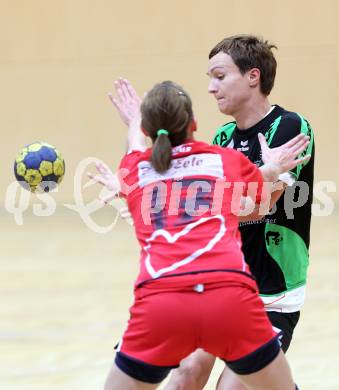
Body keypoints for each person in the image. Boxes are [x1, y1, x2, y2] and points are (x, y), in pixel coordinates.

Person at [90, 79, 310, 389]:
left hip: (161, 303)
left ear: (149, 130)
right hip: (228, 298)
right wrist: (274, 167)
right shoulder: (222, 160)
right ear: (194, 123)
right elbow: (259, 190)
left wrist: (135, 124)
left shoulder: (134, 170)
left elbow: (137, 151)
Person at [165, 35, 315, 390]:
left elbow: (261, 206)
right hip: (224, 283)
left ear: (252, 76)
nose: (211, 88)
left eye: (219, 76)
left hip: (273, 289)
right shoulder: (223, 138)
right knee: (186, 373)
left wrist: (205, 209)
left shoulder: (291, 127)